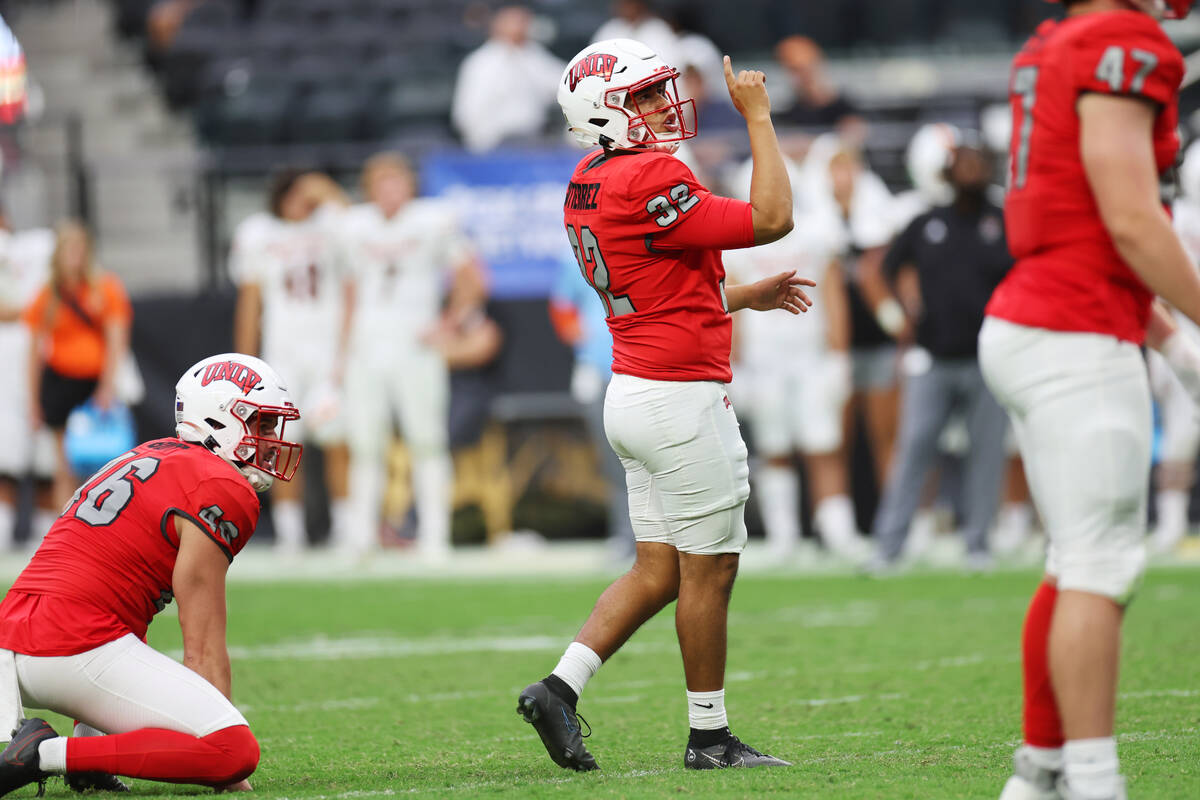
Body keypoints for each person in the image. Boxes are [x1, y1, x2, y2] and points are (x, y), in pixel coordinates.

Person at [518, 38, 809, 772]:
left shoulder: (588, 179)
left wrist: (747, 296)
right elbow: (772, 218)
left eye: (658, 91)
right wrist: (761, 120)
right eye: (642, 96)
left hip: (635, 392)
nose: (661, 106)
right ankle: (709, 738)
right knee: (711, 570)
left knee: (659, 570)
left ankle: (560, 688)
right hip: (680, 402)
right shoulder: (650, 176)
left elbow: (662, 289)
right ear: (604, 113)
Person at [978, 1, 1200, 798]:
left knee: (1075, 560)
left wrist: (1175, 342)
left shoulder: (1055, 42)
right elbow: (1133, 223)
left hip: (1046, 312)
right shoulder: (1119, 39)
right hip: (1074, 327)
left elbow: (1090, 227)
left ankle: (1040, 773)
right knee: (1100, 565)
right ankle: (1095, 781)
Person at [0, 352, 301, 796]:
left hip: (14, 635)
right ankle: (43, 754)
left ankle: (85, 755)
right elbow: (203, 648)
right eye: (261, 425)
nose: (272, 440)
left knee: (124, 618)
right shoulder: (221, 486)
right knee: (233, 750)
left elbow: (114, 600)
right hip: (69, 643)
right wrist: (226, 771)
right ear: (221, 421)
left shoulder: (146, 454)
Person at [864, 136, 1013, 573]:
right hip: (932, 356)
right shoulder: (926, 222)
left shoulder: (1004, 222)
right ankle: (888, 547)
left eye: (977, 163)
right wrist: (898, 320)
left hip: (989, 357)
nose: (971, 171)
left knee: (986, 453)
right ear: (948, 173)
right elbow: (881, 270)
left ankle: (978, 544)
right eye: (962, 164)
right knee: (913, 450)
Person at [335, 152, 486, 560]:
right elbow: (349, 295)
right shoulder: (353, 226)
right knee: (365, 445)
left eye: (396, 181)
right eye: (382, 182)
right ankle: (361, 536)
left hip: (416, 347)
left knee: (427, 442)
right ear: (369, 188)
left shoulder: (432, 221)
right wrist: (341, 353)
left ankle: (436, 536)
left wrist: (450, 322)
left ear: (410, 186)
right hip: (367, 347)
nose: (390, 191)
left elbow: (473, 277)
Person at [724, 162, 860, 561]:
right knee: (774, 447)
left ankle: (838, 530)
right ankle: (785, 535)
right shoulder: (736, 236)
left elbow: (833, 295)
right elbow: (732, 302)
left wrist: (839, 355)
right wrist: (738, 363)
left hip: (812, 355)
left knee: (823, 444)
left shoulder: (817, 229)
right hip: (765, 361)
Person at [231, 170, 349, 554]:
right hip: (283, 354)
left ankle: (347, 529)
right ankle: (290, 533)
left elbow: (361, 231)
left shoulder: (331, 225)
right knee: (279, 446)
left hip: (328, 352)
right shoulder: (259, 234)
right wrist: (245, 361)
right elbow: (251, 299)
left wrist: (328, 191)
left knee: (336, 439)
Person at [22, 221, 132, 513]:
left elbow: (116, 340)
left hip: (94, 383)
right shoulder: (48, 295)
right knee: (63, 461)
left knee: (103, 459)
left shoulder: (105, 288)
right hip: (59, 381)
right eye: (69, 249)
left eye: (79, 249)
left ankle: (104, 519)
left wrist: (107, 387)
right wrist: (33, 401)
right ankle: (66, 521)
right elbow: (34, 351)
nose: (75, 256)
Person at [549, 254, 636, 560]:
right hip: (598, 367)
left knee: (651, 455)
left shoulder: (642, 250)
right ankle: (625, 533)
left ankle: (665, 535)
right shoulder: (580, 258)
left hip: (641, 364)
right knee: (614, 459)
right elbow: (561, 305)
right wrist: (581, 343)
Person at [0, 214, 55, 551]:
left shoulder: (41, 247)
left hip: (41, 357)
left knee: (46, 457)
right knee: (7, 453)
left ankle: (47, 542)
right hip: (12, 363)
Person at [451, 5, 564, 152]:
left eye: (524, 21)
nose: (522, 26)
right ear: (498, 25)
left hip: (532, 140)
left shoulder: (533, 54)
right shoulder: (480, 62)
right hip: (492, 144)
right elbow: (465, 114)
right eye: (516, 21)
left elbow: (564, 81)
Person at [773, 36, 865, 141]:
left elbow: (855, 137)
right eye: (794, 70)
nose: (803, 75)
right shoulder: (789, 114)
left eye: (805, 67)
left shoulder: (847, 105)